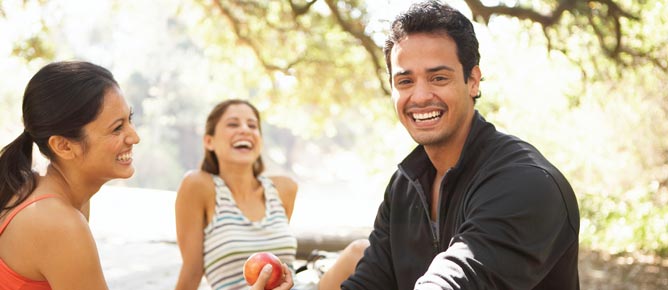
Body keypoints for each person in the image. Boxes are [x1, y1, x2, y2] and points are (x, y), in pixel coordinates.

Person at [341, 1, 580, 289]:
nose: (420, 96)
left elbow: (456, 281)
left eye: (438, 78)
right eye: (405, 81)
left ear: (473, 81)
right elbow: (369, 284)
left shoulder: (527, 183)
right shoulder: (403, 186)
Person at [173, 99, 368, 290]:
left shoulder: (283, 189)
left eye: (252, 125)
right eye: (233, 124)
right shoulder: (198, 186)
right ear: (209, 141)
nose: (245, 130)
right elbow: (191, 273)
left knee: (361, 251)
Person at [0, 61, 140, 290]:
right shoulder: (60, 223)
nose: (134, 137)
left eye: (129, 120)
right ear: (64, 146)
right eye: (117, 128)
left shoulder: (38, 189)